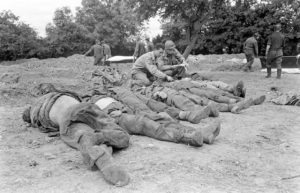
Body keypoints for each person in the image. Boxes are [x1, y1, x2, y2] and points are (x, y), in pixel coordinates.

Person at [22, 91, 131, 187]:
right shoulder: (60, 94)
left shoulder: (36, 112)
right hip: (84, 107)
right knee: (121, 135)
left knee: (82, 135)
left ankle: (99, 153)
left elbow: (39, 124)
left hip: (67, 118)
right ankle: (101, 138)